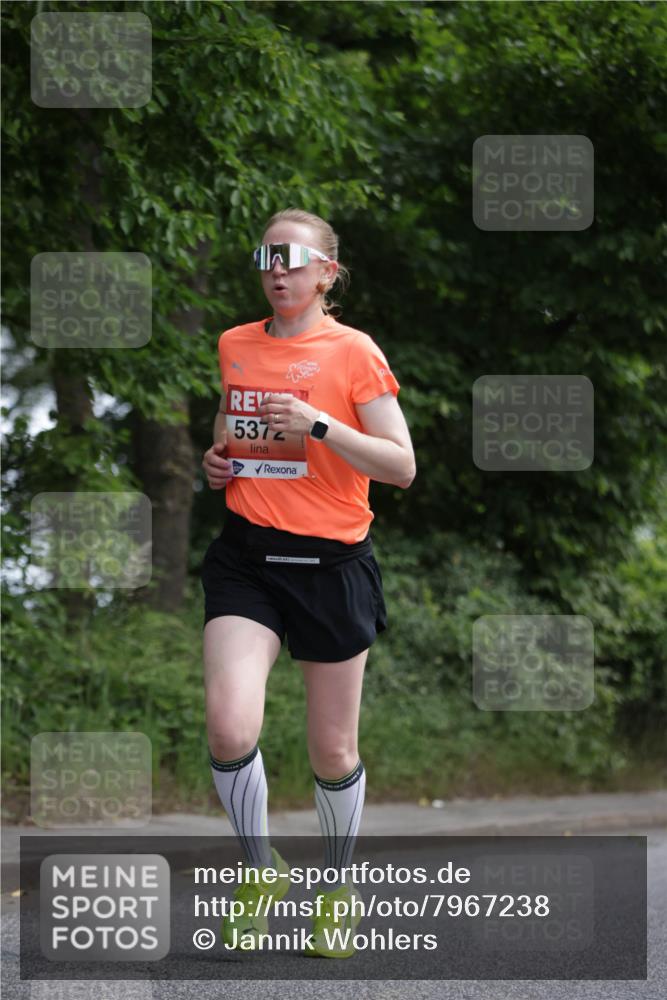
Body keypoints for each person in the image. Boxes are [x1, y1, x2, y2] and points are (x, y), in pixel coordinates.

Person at [201, 207, 416, 958]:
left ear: (327, 272)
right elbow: (230, 428)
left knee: (332, 751)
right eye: (267, 257)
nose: (277, 271)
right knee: (230, 726)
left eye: (293, 260)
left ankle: (337, 886)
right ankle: (259, 872)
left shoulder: (353, 352)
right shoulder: (235, 343)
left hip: (331, 566)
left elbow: (400, 466)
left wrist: (319, 425)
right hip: (247, 560)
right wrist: (216, 460)